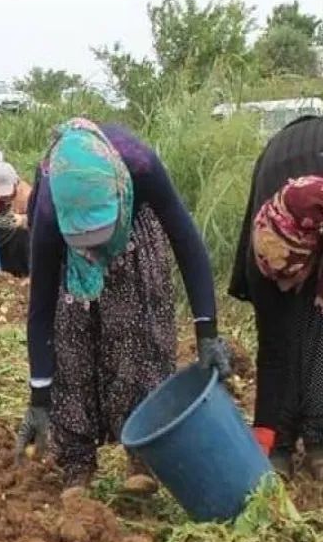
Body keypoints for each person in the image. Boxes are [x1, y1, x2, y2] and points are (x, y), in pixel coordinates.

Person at [16, 118, 230, 488]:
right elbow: (40, 310)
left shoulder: (140, 165)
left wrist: (207, 330)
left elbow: (186, 240)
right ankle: (77, 463)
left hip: (132, 242)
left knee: (138, 334)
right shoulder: (51, 209)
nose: (95, 252)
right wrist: (39, 399)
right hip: (72, 259)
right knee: (71, 339)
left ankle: (143, 454)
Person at [228, 115, 323, 478]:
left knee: (317, 328)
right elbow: (272, 351)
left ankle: (318, 437)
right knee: (279, 335)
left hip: (314, 192)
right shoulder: (267, 238)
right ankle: (279, 442)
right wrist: (266, 442)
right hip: (281, 171)